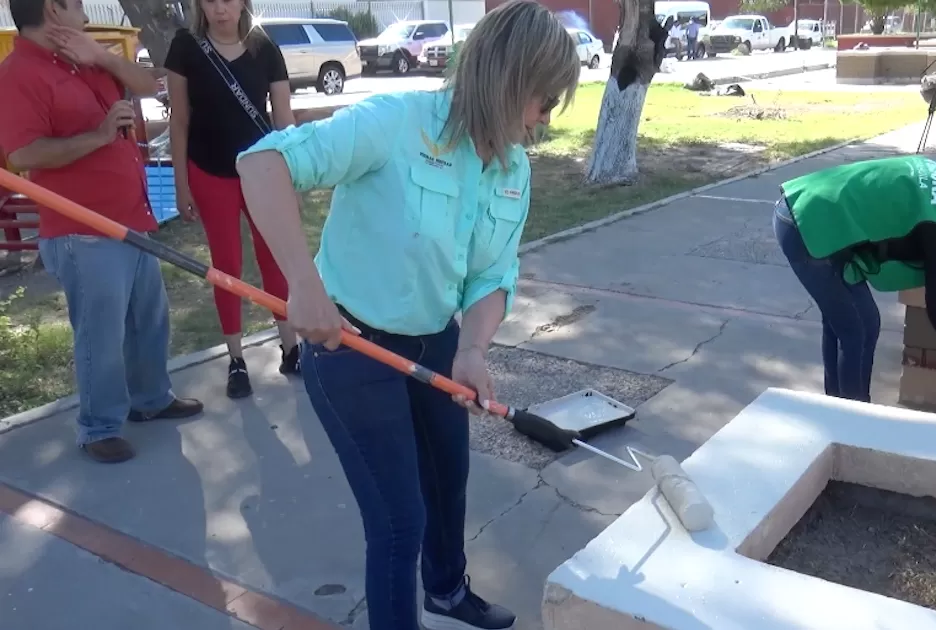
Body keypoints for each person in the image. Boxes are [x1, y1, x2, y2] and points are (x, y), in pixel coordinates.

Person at [234, 2, 580, 628]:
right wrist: (303, 286)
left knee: (447, 487)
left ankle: (446, 591)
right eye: (543, 100)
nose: (545, 120)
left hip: (436, 340)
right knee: (398, 521)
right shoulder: (394, 123)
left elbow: (491, 275)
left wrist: (472, 348)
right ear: (508, 81)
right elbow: (262, 164)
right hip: (351, 347)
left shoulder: (513, 168)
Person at [0, 0, 204, 463]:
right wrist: (97, 135)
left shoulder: (87, 56)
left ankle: (151, 399)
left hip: (130, 217)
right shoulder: (18, 74)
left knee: (149, 318)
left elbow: (150, 85)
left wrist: (104, 57)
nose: (84, 8)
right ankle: (98, 427)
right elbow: (25, 154)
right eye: (75, 3)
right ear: (53, 9)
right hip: (81, 229)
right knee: (101, 332)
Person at [773, 155, 936, 403]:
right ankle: (852, 418)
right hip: (807, 224)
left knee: (862, 323)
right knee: (855, 330)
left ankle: (842, 406)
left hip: (813, 208)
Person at [164, 0, 300, 399]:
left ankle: (290, 347)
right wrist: (181, 184)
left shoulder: (264, 47)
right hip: (209, 170)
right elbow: (180, 121)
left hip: (261, 171)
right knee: (227, 265)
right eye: (210, 0)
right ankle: (236, 360)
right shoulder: (185, 47)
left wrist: (295, 170)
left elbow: (284, 119)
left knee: (274, 256)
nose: (220, 9)